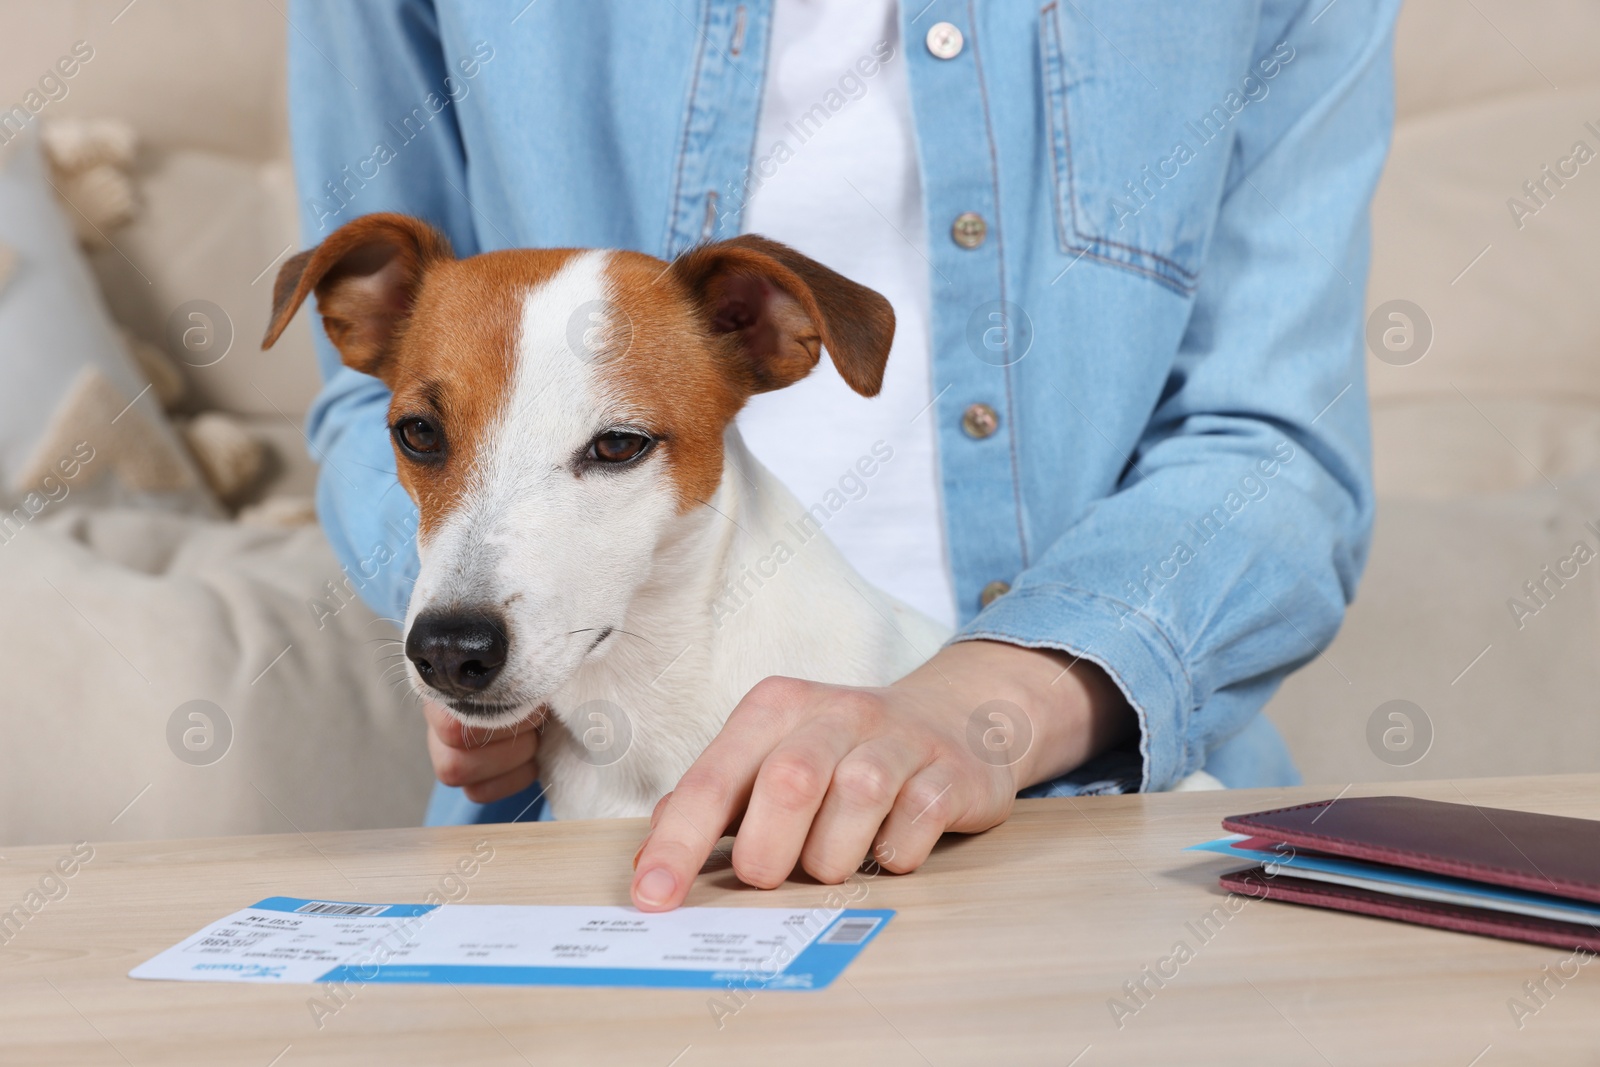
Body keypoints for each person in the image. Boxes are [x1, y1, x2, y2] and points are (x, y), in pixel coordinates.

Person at [288, 0, 1400, 911]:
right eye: (428, 438)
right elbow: (363, 394)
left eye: (612, 444)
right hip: (539, 823)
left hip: (1102, 803)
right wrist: (497, 649)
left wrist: (988, 708)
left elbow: (1273, 444)